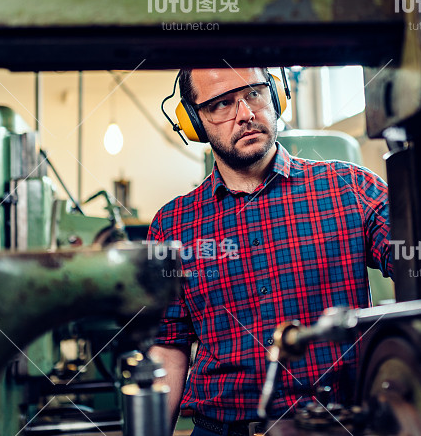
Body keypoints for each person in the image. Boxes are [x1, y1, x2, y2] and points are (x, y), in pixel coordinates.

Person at [148, 67, 392, 436]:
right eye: (221, 104)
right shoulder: (172, 225)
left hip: (336, 425)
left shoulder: (351, 188)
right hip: (221, 429)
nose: (245, 113)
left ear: (276, 96)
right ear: (195, 122)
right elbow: (169, 349)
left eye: (254, 94)